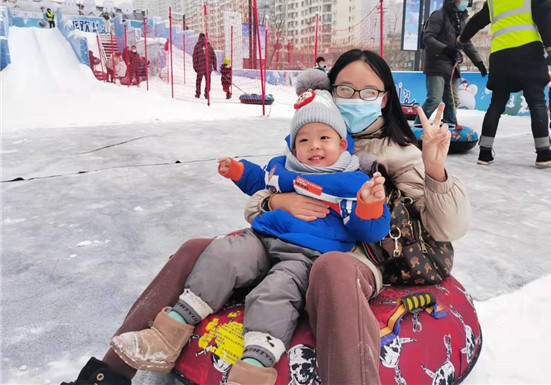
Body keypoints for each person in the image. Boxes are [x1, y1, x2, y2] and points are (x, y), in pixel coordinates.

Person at [62, 49, 470, 385]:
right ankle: (108, 374)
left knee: (331, 268)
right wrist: (277, 203)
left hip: (353, 253)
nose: (354, 98)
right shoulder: (308, 137)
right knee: (196, 249)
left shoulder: (398, 152)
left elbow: (447, 228)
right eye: (345, 89)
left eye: (367, 91)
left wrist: (434, 168)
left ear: (383, 98)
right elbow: (260, 194)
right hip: (286, 240)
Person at [104, 79, 392, 383]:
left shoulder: (351, 181)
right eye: (304, 140)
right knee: (223, 255)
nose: (314, 146)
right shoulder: (284, 168)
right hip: (262, 239)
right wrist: (239, 171)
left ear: (342, 144)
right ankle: (168, 333)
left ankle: (254, 365)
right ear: (293, 146)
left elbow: (370, 229)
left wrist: (370, 206)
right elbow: (260, 180)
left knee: (275, 291)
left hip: (306, 254)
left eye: (324, 138)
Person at [459, 0, 551, 167]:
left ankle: (484, 153)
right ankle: (543, 152)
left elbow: (478, 19)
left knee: (496, 103)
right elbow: (545, 14)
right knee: (537, 102)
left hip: (500, 56)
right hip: (527, 52)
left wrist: (463, 37)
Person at [416, 0, 486, 127]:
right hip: (436, 65)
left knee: (453, 100)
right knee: (434, 99)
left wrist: (479, 63)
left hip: (452, 66)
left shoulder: (462, 20)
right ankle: (418, 125)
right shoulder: (438, 15)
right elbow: (428, 38)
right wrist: (445, 49)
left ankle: (450, 125)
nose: (467, 2)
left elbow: (466, 42)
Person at [192, 33, 217, 99]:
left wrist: (195, 67)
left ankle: (198, 93)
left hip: (200, 67)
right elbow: (213, 56)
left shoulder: (197, 46)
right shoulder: (209, 46)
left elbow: (194, 57)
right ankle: (207, 94)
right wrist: (214, 66)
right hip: (208, 67)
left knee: (198, 81)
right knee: (208, 81)